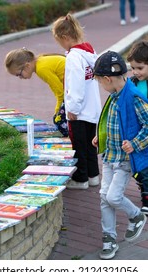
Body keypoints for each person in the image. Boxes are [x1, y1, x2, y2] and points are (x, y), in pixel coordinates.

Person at [92, 50, 147, 259]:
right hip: (109, 157)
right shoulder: (114, 97)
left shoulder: (133, 97)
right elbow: (112, 123)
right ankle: (109, 238)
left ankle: (136, 216)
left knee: (113, 196)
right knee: (104, 198)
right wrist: (101, 137)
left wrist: (134, 143)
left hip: (124, 160)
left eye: (99, 82)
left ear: (107, 79)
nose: (101, 86)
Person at [52, 13, 102, 189]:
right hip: (92, 108)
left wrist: (72, 108)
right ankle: (93, 175)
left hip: (78, 112)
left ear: (65, 37)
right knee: (90, 144)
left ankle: (81, 179)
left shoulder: (73, 57)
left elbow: (75, 84)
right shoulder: (89, 51)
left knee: (78, 146)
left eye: (59, 41)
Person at [4, 49, 68, 137]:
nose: (20, 78)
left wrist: (57, 112)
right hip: (77, 85)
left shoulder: (41, 69)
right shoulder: (40, 61)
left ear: (27, 66)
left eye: (19, 74)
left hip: (78, 87)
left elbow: (60, 92)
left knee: (59, 120)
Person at [127, 40, 148, 214]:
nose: (135, 72)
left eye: (140, 68)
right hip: (138, 132)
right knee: (139, 167)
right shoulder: (133, 82)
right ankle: (144, 191)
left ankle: (146, 198)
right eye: (133, 68)